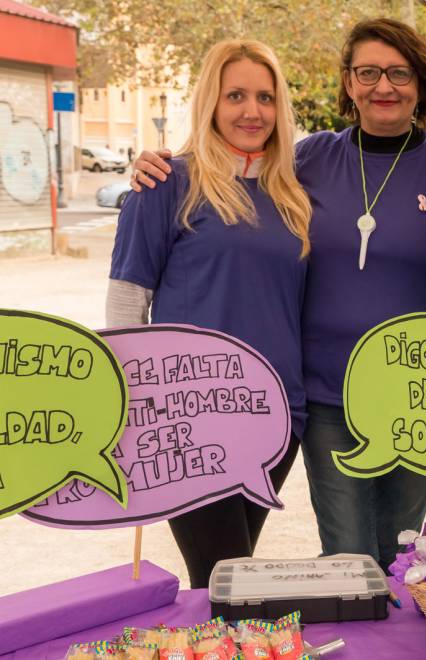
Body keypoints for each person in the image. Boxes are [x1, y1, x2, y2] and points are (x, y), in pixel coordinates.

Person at [129, 18, 426, 571]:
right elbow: (240, 171)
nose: (384, 85)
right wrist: (160, 165)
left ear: (421, 84)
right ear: (349, 82)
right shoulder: (305, 160)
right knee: (348, 554)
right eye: (368, 72)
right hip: (329, 392)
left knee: (403, 553)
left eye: (400, 73)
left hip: (422, 398)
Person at [106, 39, 312, 587]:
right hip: (190, 420)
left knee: (229, 578)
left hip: (278, 416)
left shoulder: (290, 192)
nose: (252, 111)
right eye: (236, 95)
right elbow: (128, 301)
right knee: (228, 580)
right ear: (210, 103)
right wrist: (129, 407)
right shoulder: (166, 182)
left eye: (265, 97)